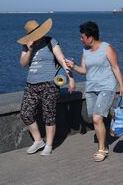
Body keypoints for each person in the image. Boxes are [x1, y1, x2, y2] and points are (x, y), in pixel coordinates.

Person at [66, 21, 123, 162]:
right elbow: (85, 70)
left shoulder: (107, 48)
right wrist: (73, 66)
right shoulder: (85, 51)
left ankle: (102, 149)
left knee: (97, 118)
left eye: (83, 37)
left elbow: (115, 67)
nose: (81, 39)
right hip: (91, 89)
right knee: (96, 118)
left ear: (91, 37)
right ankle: (104, 143)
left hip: (107, 87)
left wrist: (121, 86)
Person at [17, 18, 75, 156]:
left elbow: (62, 60)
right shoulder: (26, 45)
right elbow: (23, 63)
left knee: (49, 114)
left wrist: (71, 78)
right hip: (31, 84)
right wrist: (30, 50)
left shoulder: (50, 42)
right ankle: (38, 141)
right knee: (25, 113)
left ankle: (49, 144)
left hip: (49, 83)